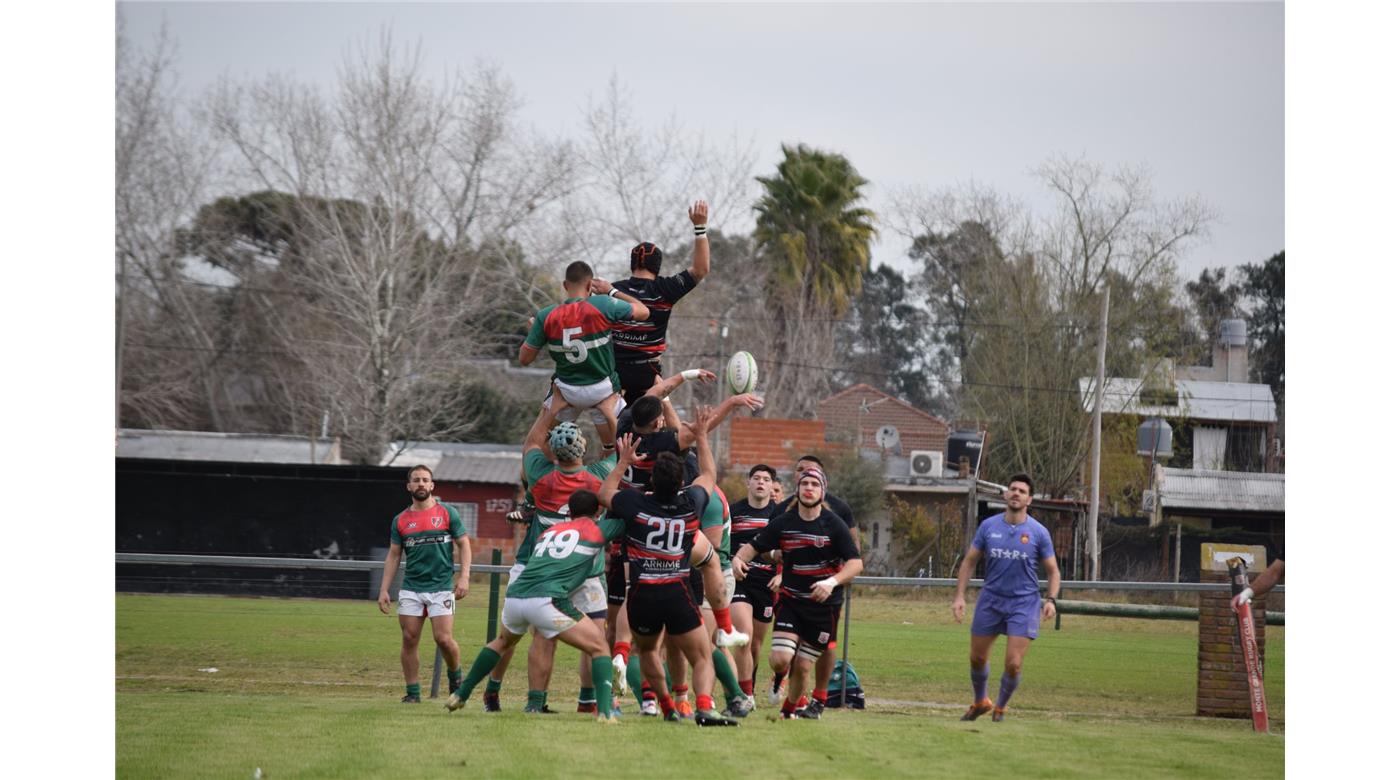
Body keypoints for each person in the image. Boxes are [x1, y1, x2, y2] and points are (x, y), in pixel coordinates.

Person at [598, 409, 738, 726]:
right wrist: (701, 436)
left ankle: (665, 707)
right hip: (675, 590)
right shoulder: (691, 503)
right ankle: (702, 705)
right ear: (680, 482)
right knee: (701, 655)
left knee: (646, 652)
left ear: (652, 481)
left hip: (642, 592)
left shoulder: (634, 504)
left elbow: (605, 494)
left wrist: (623, 462)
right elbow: (708, 476)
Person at [446, 490, 622, 725]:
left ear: (569, 512)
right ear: (598, 512)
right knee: (599, 647)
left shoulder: (549, 532)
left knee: (502, 642)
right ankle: (605, 713)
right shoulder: (598, 528)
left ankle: (461, 693)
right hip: (546, 599)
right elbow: (629, 519)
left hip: (517, 594)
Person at [732, 467, 863, 719]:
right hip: (791, 600)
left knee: (803, 666)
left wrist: (832, 582)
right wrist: (738, 560)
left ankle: (795, 707)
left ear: (822, 491)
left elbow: (855, 563)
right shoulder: (784, 522)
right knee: (780, 659)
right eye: (805, 484)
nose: (809, 488)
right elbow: (754, 546)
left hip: (823, 604)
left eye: (815, 484)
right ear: (798, 489)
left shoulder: (833, 524)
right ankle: (782, 683)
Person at [951, 474, 1061, 723]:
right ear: (1005, 495)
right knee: (977, 658)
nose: (1016, 493)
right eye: (1012, 489)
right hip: (991, 600)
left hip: (1023, 603)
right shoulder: (988, 527)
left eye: (1022, 491)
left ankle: (1000, 706)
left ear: (1029, 499)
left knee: (1013, 663)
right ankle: (981, 701)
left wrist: (1051, 600)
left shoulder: (1038, 533)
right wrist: (959, 596)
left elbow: (1054, 571)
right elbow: (969, 562)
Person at [520, 260, 648, 450]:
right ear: (589, 286)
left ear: (565, 286)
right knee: (615, 449)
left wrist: (537, 334)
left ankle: (542, 473)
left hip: (565, 393)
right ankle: (608, 442)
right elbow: (644, 312)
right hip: (602, 391)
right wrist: (612, 291)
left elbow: (524, 359)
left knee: (538, 447)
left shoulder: (546, 315)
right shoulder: (603, 304)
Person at [377, 465, 472, 703]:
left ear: (432, 485)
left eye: (425, 480)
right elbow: (394, 555)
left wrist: (464, 576)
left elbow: (464, 544)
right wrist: (383, 589)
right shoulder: (400, 520)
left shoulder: (448, 513)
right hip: (411, 588)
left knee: (443, 639)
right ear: (409, 486)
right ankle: (413, 693)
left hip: (441, 586)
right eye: (416, 480)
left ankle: (455, 677)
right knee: (409, 639)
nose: (421, 484)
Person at [773, 454, 859, 713]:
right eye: (800, 472)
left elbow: (854, 550)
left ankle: (819, 697)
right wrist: (777, 566)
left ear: (823, 482)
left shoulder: (838, 510)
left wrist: (834, 580)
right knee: (789, 647)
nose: (805, 479)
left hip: (826, 592)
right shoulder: (784, 510)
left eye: (812, 475)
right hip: (792, 588)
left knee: (825, 646)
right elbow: (771, 547)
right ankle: (791, 691)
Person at [610, 200, 712, 407]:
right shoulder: (665, 288)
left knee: (615, 431)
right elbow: (701, 270)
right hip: (648, 375)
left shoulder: (612, 290)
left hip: (612, 373)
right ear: (657, 266)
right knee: (662, 429)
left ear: (632, 265)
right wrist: (700, 228)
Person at [727, 464, 784, 712]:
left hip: (767, 584)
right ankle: (746, 694)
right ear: (748, 483)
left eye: (766, 479)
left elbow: (789, 551)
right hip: (739, 582)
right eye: (757, 478)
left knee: (755, 645)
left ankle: (748, 684)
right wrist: (731, 562)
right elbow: (721, 545)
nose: (761, 482)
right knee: (744, 636)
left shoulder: (780, 515)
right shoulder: (734, 511)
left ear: (772, 487)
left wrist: (782, 576)